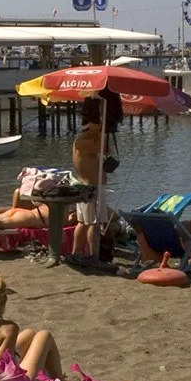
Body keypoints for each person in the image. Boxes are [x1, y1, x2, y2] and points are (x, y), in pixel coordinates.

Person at [71, 97, 106, 261]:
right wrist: (101, 133)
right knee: (94, 223)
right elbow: (104, 149)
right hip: (92, 185)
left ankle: (76, 252)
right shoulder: (87, 142)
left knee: (83, 222)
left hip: (84, 184)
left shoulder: (80, 140)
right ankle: (94, 255)